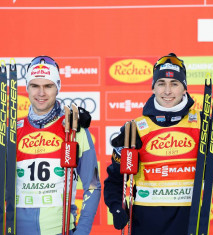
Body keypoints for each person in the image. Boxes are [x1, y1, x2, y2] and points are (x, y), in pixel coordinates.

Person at [104, 53, 200, 235]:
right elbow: (115, 180)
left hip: (188, 226)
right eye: (161, 83)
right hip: (145, 227)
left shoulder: (201, 125)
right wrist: (117, 208)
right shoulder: (135, 129)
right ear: (153, 87)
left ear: (184, 88)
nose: (167, 91)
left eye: (174, 84)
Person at [16, 56, 101, 235]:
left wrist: (82, 231)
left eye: (48, 86)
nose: (41, 93)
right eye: (35, 86)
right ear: (27, 88)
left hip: (60, 230)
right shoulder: (12, 131)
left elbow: (92, 185)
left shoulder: (75, 129)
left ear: (58, 87)